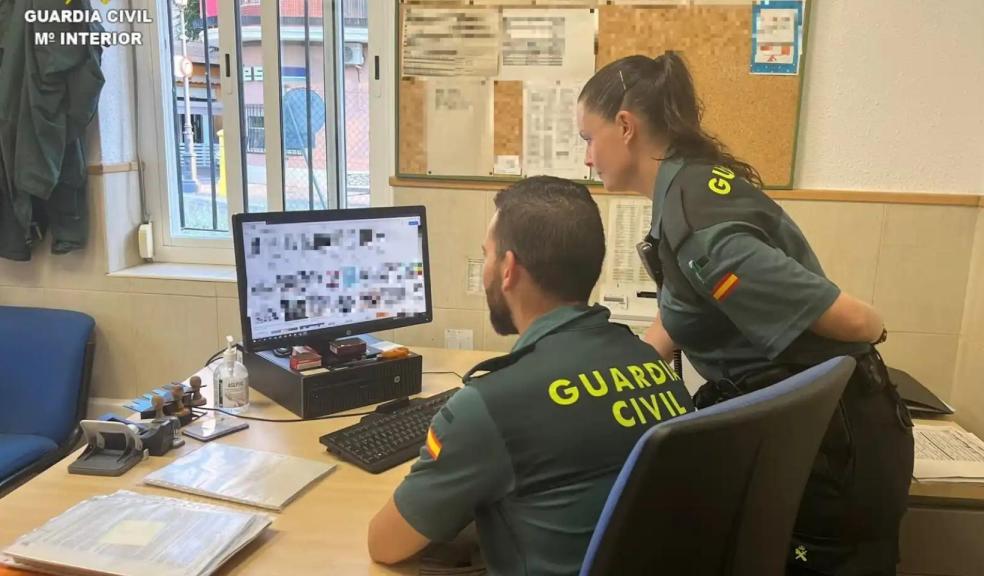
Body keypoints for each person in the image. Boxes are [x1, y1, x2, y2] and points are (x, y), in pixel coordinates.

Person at [577, 52, 914, 575]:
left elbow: (849, 319)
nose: (587, 160)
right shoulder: (687, 188)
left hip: (837, 453)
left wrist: (877, 329)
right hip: (822, 441)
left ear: (624, 127)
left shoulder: (698, 230)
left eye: (587, 140)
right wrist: (625, 374)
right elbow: (684, 305)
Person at [367, 176, 695, 575]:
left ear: (508, 269)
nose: (485, 264)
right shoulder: (652, 366)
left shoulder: (490, 404)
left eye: (487, 254)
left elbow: (385, 545)